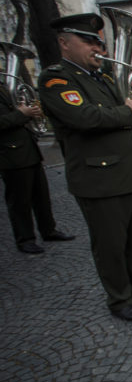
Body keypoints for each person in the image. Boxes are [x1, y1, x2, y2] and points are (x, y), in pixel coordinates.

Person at [38, 13, 132, 321]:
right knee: (110, 243)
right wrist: (131, 111)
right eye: (87, 42)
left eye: (98, 42)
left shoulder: (106, 78)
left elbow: (127, 109)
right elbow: (84, 117)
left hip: (128, 171)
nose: (96, 48)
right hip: (97, 176)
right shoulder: (56, 79)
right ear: (64, 43)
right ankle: (119, 298)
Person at [1, 81, 75, 254]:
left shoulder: (5, 86)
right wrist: (22, 114)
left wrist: (32, 112)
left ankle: (48, 229)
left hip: (28, 149)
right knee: (19, 200)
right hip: (10, 153)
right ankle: (25, 238)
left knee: (41, 195)